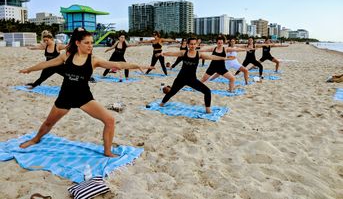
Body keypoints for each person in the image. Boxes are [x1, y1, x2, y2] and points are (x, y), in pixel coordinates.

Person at [19, 28, 152, 157]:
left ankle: (107, 151)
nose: (90, 46)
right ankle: (35, 139)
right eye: (87, 43)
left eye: (92, 43)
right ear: (77, 43)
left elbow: (117, 64)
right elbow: (47, 64)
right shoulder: (66, 55)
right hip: (65, 96)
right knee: (49, 123)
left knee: (110, 120)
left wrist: (136, 65)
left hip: (84, 97)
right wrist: (29, 69)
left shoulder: (94, 60)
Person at [160, 37, 228, 113]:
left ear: (196, 45)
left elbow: (212, 57)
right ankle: (161, 104)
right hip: (180, 79)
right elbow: (173, 53)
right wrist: (163, 53)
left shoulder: (199, 54)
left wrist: (224, 58)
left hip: (192, 79)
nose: (193, 46)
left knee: (207, 91)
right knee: (172, 92)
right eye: (191, 44)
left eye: (194, 44)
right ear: (188, 45)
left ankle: (208, 110)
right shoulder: (184, 53)